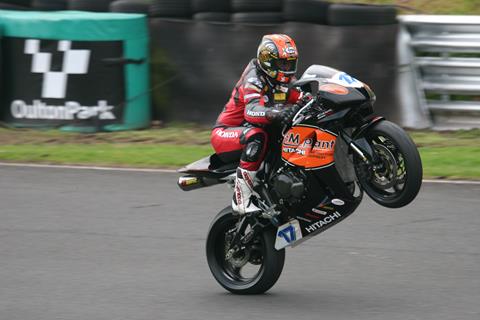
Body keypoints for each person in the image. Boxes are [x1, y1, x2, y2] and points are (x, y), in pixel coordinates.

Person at [211, 34, 309, 215]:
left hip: (251, 130)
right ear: (268, 61)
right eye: (283, 64)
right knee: (257, 136)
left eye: (290, 63)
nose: (287, 69)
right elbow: (251, 110)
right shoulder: (254, 79)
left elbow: (304, 99)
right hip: (226, 133)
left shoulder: (284, 81)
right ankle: (241, 199)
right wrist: (276, 113)